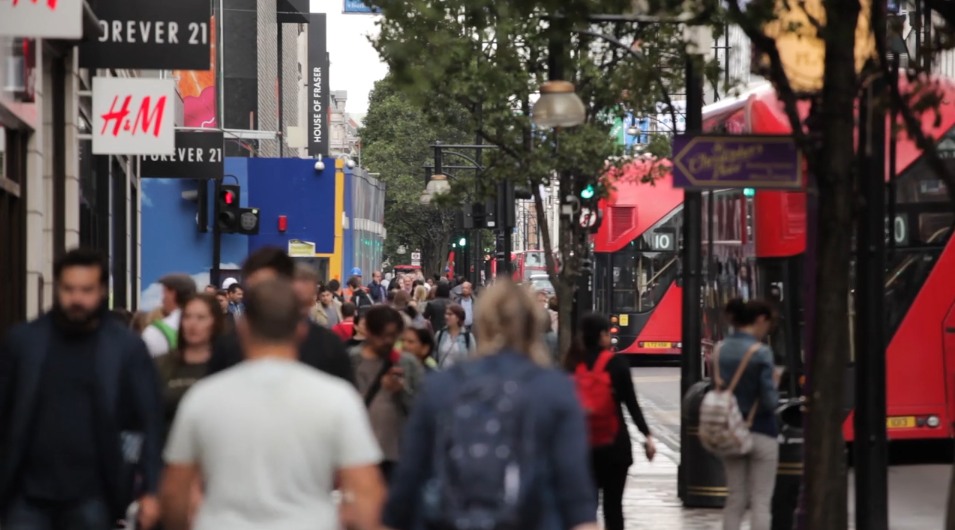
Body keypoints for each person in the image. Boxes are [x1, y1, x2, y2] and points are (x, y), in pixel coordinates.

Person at [160, 278, 386, 530]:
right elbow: (365, 492)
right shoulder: (337, 398)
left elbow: (174, 491)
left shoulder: (203, 398)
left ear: (243, 327)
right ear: (301, 330)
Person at [382, 280, 598, 530]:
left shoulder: (440, 388)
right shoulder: (556, 391)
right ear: (532, 327)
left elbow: (406, 487)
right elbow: (577, 497)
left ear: (481, 325)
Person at [0, 248, 164, 530]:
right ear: (57, 288)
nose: (77, 299)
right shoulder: (24, 342)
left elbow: (149, 420)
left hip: (94, 494)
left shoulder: (125, 348)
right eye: (69, 289)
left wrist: (152, 491)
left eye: (86, 290)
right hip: (25, 494)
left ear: (101, 291)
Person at [207, 247, 353, 384]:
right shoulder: (227, 347)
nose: (266, 293)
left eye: (273, 284)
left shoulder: (327, 347)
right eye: (257, 287)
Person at [564, 313, 656, 530]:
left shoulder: (572, 365)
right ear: (603, 335)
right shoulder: (617, 365)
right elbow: (632, 404)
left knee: (587, 507)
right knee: (613, 508)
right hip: (615, 445)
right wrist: (647, 435)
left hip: (582, 447)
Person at [716, 298, 780, 530]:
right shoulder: (761, 352)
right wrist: (775, 381)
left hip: (730, 430)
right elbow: (770, 400)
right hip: (761, 429)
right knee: (761, 501)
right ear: (760, 320)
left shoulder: (720, 350)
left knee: (735, 498)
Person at [349, 306, 424, 483]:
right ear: (369, 332)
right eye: (381, 335)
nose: (387, 341)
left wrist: (401, 391)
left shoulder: (407, 364)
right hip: (357, 453)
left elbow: (421, 411)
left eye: (392, 336)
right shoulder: (351, 361)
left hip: (397, 454)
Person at [154, 293, 224, 440]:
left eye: (201, 318)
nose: (193, 324)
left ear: (215, 322)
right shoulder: (161, 364)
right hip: (166, 448)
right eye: (187, 317)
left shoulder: (226, 365)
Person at [142, 274, 197, 357]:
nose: (162, 299)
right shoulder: (212, 327)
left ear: (173, 294)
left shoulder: (155, 332)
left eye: (164, 293)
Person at [434, 304, 476, 368]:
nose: (446, 317)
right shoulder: (440, 334)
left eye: (450, 314)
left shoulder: (468, 337)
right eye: (446, 314)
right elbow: (433, 357)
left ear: (458, 318)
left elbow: (473, 360)